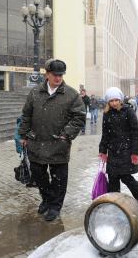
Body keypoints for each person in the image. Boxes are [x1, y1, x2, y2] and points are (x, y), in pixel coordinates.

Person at [18, 59, 86, 221]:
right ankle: (47, 199)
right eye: (55, 75)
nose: (58, 78)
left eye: (61, 75)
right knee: (38, 175)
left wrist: (66, 134)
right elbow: (26, 114)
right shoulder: (35, 93)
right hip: (36, 142)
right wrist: (23, 135)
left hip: (58, 144)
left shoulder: (71, 94)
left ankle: (55, 206)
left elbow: (79, 117)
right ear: (47, 74)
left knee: (59, 179)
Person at [99, 87, 138, 207]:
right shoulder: (107, 114)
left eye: (116, 100)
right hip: (113, 152)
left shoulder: (128, 111)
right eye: (111, 101)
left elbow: (136, 132)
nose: (114, 103)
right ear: (108, 102)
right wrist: (103, 151)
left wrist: (135, 153)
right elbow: (105, 134)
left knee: (126, 177)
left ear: (120, 100)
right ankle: (114, 204)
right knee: (113, 178)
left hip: (126, 151)